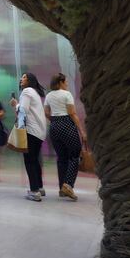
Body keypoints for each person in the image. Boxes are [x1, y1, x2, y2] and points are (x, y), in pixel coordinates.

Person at [44, 73, 86, 201]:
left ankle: (62, 188)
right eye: (65, 82)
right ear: (60, 82)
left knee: (62, 158)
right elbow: (72, 113)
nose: (67, 84)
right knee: (75, 155)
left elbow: (46, 112)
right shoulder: (66, 94)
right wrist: (82, 131)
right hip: (67, 124)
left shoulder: (49, 95)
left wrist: (55, 121)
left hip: (54, 126)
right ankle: (68, 185)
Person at [10, 72, 47, 201]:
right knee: (35, 160)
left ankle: (34, 191)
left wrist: (15, 105)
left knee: (29, 160)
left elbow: (23, 110)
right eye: (22, 77)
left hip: (31, 131)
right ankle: (39, 187)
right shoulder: (35, 92)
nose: (21, 79)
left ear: (30, 80)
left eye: (25, 77)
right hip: (40, 132)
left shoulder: (26, 92)